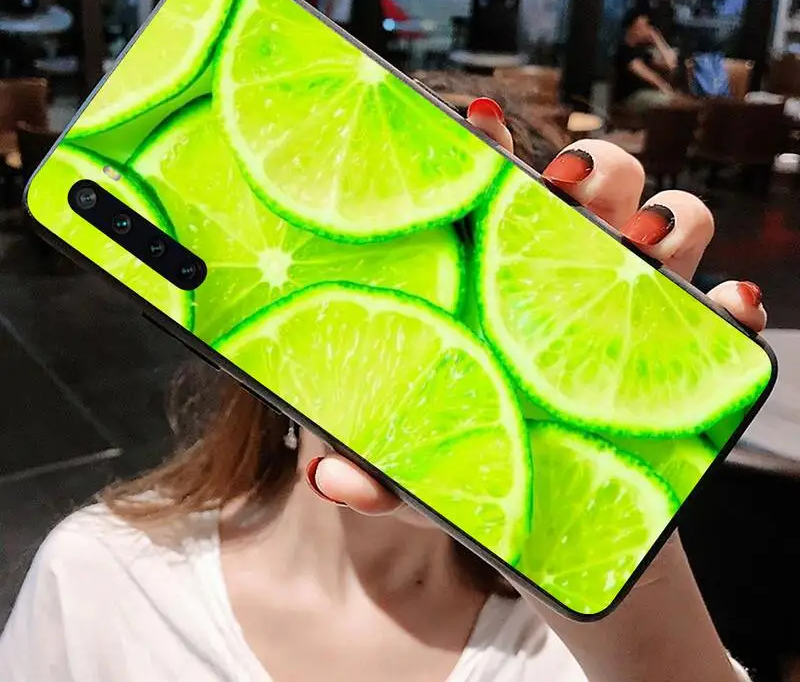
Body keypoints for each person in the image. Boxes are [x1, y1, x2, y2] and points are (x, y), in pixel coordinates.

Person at [0, 101, 764, 681]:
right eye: (382, 266)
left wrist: (629, 589)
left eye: (473, 293)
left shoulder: (581, 649)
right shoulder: (99, 581)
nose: (428, 335)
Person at [614, 8, 681, 113]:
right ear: (631, 28)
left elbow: (670, 64)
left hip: (646, 94)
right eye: (643, 26)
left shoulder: (642, 51)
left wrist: (657, 39)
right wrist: (665, 88)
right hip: (631, 97)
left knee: (680, 100)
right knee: (672, 101)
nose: (647, 29)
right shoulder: (624, 50)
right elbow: (648, 75)